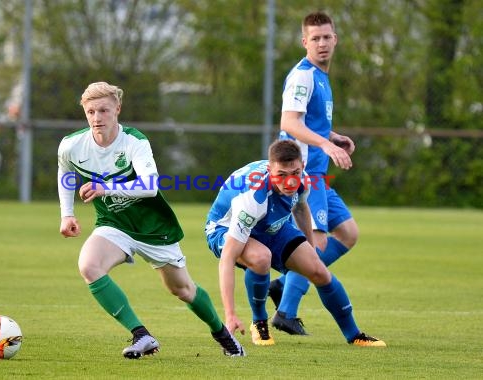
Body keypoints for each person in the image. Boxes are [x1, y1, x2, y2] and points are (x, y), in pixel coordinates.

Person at [57, 81, 245, 359]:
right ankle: (141, 335)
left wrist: (104, 188)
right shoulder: (72, 145)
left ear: (117, 109)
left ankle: (222, 333)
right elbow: (64, 172)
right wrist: (67, 214)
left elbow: (150, 186)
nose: (97, 118)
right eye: (91, 112)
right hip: (114, 223)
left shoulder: (134, 141)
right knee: (89, 265)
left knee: (182, 289)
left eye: (104, 111)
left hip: (154, 228)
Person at [205, 139, 385, 347]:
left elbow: (300, 209)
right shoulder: (252, 199)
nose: (290, 182)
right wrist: (230, 314)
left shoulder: (303, 179)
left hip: (272, 225)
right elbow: (227, 258)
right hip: (223, 229)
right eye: (281, 175)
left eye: (295, 173)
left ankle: (354, 335)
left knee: (318, 271)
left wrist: (310, 248)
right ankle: (259, 322)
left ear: (302, 167)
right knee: (261, 257)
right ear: (269, 169)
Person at [270, 11, 360, 336]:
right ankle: (286, 312)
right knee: (316, 244)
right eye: (315, 38)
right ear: (304, 41)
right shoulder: (303, 76)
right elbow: (289, 123)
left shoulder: (321, 76)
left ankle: (285, 283)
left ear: (335, 39)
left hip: (318, 171)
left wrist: (333, 136)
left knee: (348, 233)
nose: (322, 43)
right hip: (305, 173)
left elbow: (308, 121)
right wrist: (327, 145)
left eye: (327, 37)